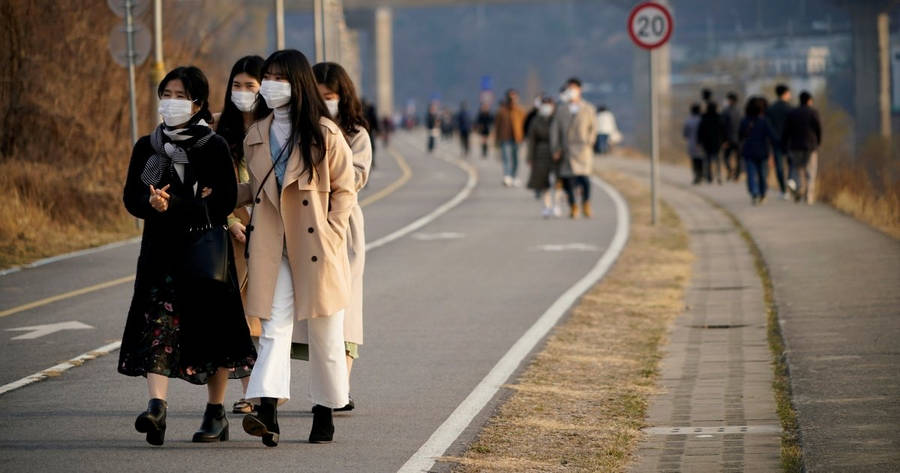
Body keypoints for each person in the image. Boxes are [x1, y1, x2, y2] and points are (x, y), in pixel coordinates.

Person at [119, 66, 257, 446]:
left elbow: (223, 201)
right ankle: (156, 407)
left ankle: (216, 413)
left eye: (181, 96)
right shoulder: (148, 146)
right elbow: (133, 197)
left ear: (198, 103)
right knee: (157, 327)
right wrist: (152, 203)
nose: (172, 102)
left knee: (215, 333)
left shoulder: (211, 146)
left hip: (204, 255)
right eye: (167, 94)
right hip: (160, 255)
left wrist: (176, 205)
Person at [237, 49, 355, 446]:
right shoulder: (256, 133)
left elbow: (344, 190)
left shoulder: (325, 133)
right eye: (266, 76)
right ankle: (267, 409)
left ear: (297, 82)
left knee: (325, 333)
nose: (269, 84)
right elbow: (258, 188)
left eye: (278, 77)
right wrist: (220, 195)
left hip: (316, 245)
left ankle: (324, 412)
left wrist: (333, 233)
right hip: (274, 246)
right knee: (273, 327)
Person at [288, 61, 372, 414]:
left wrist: (329, 163)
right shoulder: (300, 130)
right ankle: (322, 386)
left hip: (342, 226)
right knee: (308, 310)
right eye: (318, 96)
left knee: (346, 307)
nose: (325, 102)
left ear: (343, 96)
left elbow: (355, 177)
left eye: (331, 96)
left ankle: (342, 389)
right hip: (304, 223)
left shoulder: (356, 134)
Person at [214, 55, 268, 416]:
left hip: (268, 234)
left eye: (251, 85)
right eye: (237, 85)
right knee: (241, 317)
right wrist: (230, 222)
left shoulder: (274, 128)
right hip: (230, 238)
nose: (243, 92)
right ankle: (251, 392)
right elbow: (209, 188)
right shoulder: (218, 132)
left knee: (265, 315)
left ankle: (266, 388)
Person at [550, 77, 598, 219]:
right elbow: (555, 130)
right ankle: (573, 206)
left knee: (584, 179)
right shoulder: (561, 110)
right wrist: (556, 148)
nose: (571, 91)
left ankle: (586, 203)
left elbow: (593, 128)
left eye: (574, 88)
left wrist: (589, 142)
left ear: (580, 90)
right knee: (568, 181)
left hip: (583, 150)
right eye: (569, 89)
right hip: (566, 150)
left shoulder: (588, 109)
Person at [781, 91, 822, 204]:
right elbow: (818, 129)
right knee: (811, 172)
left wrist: (784, 145)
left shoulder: (792, 113)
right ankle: (809, 196)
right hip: (811, 146)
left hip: (795, 146)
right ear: (809, 100)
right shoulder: (813, 112)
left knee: (798, 170)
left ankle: (799, 189)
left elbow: (786, 131)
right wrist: (818, 142)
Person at [739, 96, 779, 205]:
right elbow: (772, 136)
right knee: (762, 174)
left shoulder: (744, 121)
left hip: (749, 151)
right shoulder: (764, 121)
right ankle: (762, 193)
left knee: (751, 174)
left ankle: (754, 193)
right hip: (762, 151)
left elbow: (740, 135)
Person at [526, 96, 557, 217]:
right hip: (540, 153)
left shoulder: (557, 119)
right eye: (544, 105)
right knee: (544, 182)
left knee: (557, 180)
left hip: (556, 153)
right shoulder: (536, 121)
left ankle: (557, 203)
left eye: (548, 104)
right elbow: (531, 140)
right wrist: (530, 157)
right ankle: (547, 205)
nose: (546, 107)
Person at [494, 89, 526, 186]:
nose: (512, 99)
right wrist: (496, 140)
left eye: (514, 97)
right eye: (510, 97)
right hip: (505, 138)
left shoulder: (520, 111)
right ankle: (507, 176)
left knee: (516, 159)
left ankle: (514, 176)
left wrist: (524, 137)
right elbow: (497, 126)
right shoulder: (502, 111)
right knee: (506, 158)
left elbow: (525, 125)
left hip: (517, 138)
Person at [766, 84, 792, 199]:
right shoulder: (790, 109)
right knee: (792, 164)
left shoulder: (771, 109)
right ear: (785, 93)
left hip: (776, 141)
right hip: (789, 141)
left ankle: (783, 190)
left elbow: (768, 126)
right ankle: (791, 181)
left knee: (779, 167)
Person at [697, 101, 726, 184]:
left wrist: (699, 141)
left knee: (707, 160)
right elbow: (723, 130)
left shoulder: (704, 117)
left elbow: (700, 131)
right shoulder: (719, 117)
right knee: (717, 160)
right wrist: (724, 140)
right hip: (717, 142)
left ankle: (709, 176)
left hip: (706, 143)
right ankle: (719, 175)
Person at [720, 92, 742, 181]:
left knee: (726, 158)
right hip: (739, 139)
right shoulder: (740, 111)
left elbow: (722, 126)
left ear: (730, 100)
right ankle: (736, 175)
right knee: (738, 158)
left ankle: (730, 170)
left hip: (728, 139)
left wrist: (723, 140)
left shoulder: (725, 111)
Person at [683, 103, 704, 184]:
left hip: (691, 143)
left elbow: (685, 134)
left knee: (694, 160)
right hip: (701, 143)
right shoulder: (702, 119)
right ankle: (701, 174)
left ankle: (696, 175)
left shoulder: (688, 120)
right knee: (701, 160)